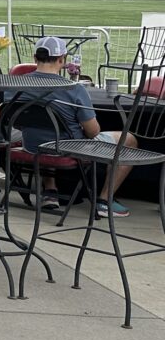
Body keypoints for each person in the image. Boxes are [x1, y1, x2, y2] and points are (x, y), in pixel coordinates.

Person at [16, 36, 137, 219]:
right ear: (61, 60)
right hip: (68, 148)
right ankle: (104, 201)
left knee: (46, 133)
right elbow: (93, 131)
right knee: (129, 139)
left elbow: (12, 118)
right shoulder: (74, 89)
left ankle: (50, 191)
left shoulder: (17, 83)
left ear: (35, 58)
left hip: (31, 145)